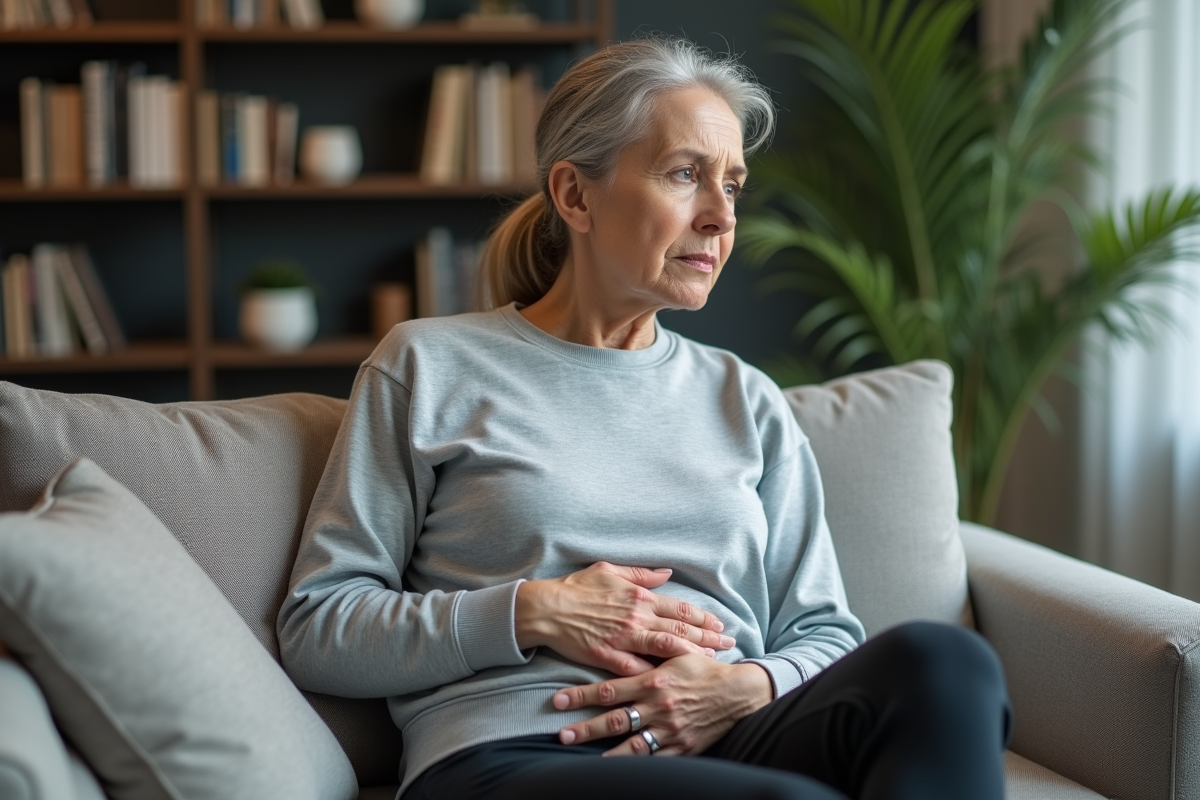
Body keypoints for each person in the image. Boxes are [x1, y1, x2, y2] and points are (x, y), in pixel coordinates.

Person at [277, 37, 1011, 800]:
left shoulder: (744, 397)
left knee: (948, 662)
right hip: (518, 752)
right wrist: (534, 610)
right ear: (575, 195)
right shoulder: (430, 366)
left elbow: (825, 635)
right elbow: (320, 627)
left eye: (733, 185)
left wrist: (745, 687)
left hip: (734, 735)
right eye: (686, 174)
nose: (721, 215)